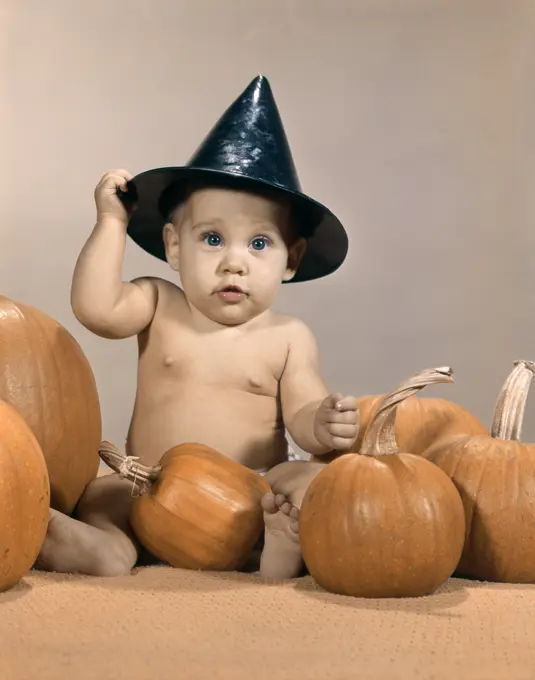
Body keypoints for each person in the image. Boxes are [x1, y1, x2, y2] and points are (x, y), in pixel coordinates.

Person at [35, 76, 359, 580]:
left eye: (258, 244)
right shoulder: (158, 302)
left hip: (247, 492)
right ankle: (76, 539)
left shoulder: (287, 336)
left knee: (310, 478)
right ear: (174, 247)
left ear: (290, 260)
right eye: (212, 238)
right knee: (103, 502)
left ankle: (278, 542)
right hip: (148, 486)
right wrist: (111, 223)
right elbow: (96, 309)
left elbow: (301, 413)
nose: (234, 263)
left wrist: (323, 422)